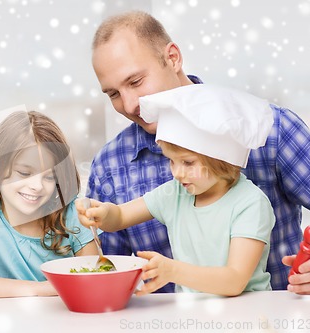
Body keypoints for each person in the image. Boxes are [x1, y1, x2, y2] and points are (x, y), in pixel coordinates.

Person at [87, 10, 310, 294]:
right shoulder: (111, 165)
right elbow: (104, 274)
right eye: (113, 94)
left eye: (136, 82)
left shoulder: (270, 131)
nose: (129, 106)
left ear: (173, 58)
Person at [78, 84, 276, 295]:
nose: (177, 173)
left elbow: (234, 281)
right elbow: (120, 216)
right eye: (171, 161)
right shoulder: (175, 194)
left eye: (188, 163)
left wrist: (172, 271)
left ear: (222, 158)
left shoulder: (250, 203)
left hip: (246, 316)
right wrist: (103, 213)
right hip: (192, 316)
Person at [0, 111, 97, 297]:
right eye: (24, 173)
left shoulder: (72, 212)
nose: (37, 186)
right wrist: (39, 289)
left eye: (49, 177)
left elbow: (94, 280)